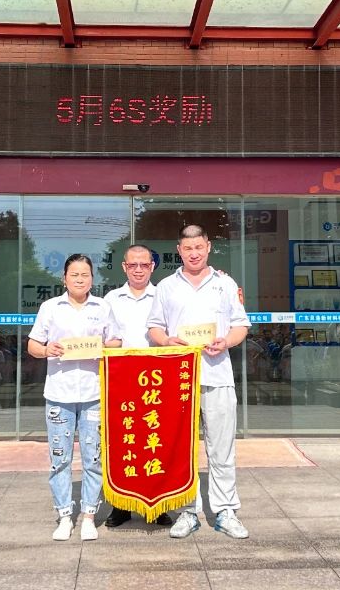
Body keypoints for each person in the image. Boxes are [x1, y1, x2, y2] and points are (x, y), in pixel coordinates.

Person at [147, 225, 252, 540]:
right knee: (181, 450)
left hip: (217, 375)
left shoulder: (225, 283)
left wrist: (226, 342)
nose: (194, 253)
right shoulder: (166, 286)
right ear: (179, 250)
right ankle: (186, 511)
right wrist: (167, 341)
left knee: (222, 448)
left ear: (208, 247)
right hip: (178, 380)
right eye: (187, 248)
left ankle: (225, 511)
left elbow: (240, 325)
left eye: (199, 247)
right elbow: (154, 327)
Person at [27, 254, 122, 542]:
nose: (80, 279)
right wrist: (47, 350)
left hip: (94, 392)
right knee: (60, 459)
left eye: (85, 275)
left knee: (93, 458)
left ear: (92, 278)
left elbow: (117, 341)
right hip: (59, 393)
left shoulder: (102, 307)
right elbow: (33, 344)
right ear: (64, 278)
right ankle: (65, 516)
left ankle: (89, 516)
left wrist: (103, 346)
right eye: (74, 274)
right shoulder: (50, 307)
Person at [101, 244, 173, 529]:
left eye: (144, 265)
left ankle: (157, 505)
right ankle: (121, 505)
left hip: (158, 378)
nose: (139, 270)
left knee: (155, 442)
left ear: (153, 266)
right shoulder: (110, 299)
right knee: (123, 441)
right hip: (122, 379)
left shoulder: (164, 295)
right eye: (133, 265)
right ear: (124, 267)